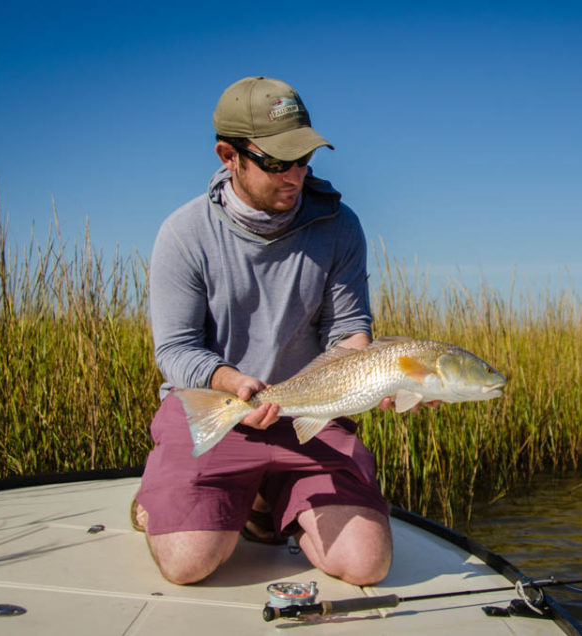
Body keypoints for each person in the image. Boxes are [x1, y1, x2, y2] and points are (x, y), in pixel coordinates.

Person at [133, 76, 418, 587]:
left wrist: (372, 382)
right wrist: (233, 383)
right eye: (276, 162)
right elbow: (175, 349)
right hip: (216, 407)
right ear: (229, 155)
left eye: (304, 159)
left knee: (365, 565)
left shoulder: (340, 226)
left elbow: (349, 329)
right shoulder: (184, 232)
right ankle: (167, 494)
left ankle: (265, 496)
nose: (295, 175)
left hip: (310, 409)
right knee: (187, 563)